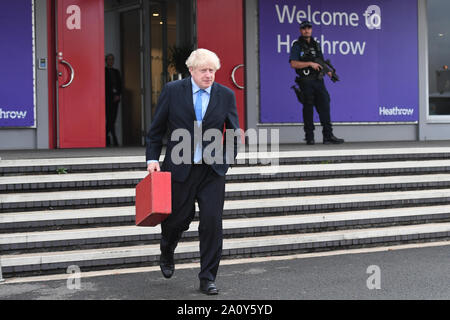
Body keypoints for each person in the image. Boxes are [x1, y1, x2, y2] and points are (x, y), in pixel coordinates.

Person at [145, 48, 240, 295]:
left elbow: (232, 131)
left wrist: (227, 161)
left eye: (212, 71)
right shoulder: (172, 91)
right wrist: (152, 159)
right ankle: (167, 248)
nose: (209, 75)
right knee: (177, 220)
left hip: (212, 172)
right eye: (204, 71)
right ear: (191, 71)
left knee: (212, 223)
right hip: (179, 168)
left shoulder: (226, 95)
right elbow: (156, 130)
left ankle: (207, 277)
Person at [289, 21, 344, 145]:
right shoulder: (297, 45)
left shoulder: (316, 44)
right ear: (300, 30)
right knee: (308, 108)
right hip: (305, 81)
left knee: (325, 104)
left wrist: (329, 72)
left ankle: (328, 136)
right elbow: (293, 64)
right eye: (304, 28)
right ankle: (310, 137)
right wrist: (309, 63)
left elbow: (320, 61)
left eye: (308, 28)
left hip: (318, 80)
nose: (306, 30)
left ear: (311, 30)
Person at [105, 54, 122, 147]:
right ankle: (113, 139)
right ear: (106, 61)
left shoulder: (116, 72)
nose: (110, 61)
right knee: (109, 118)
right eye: (109, 59)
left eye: (112, 59)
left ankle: (107, 137)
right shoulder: (104, 71)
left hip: (115, 99)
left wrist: (118, 95)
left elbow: (120, 85)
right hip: (107, 99)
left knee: (113, 119)